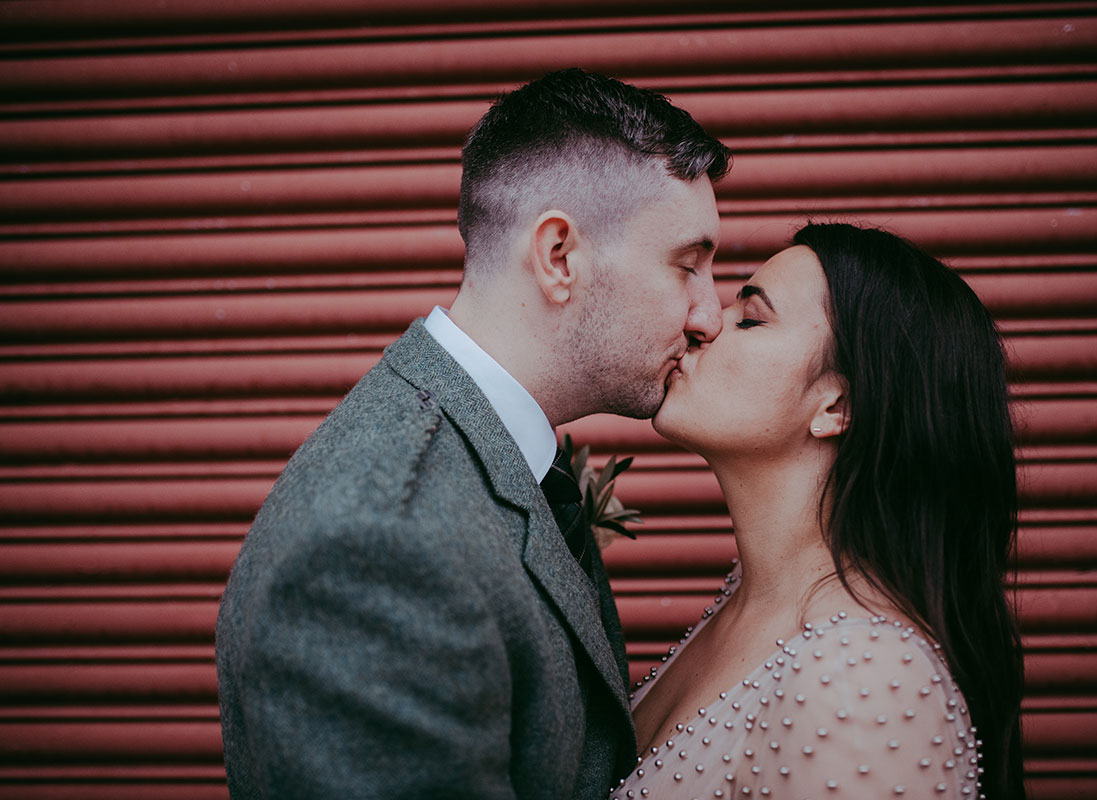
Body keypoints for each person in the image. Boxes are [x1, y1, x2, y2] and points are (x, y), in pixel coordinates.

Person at [215, 68, 730, 800]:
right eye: (687, 265)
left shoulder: (496, 454)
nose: (709, 316)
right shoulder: (380, 551)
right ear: (559, 258)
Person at [614, 223, 1024, 799]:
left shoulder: (865, 679)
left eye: (750, 318)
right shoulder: (750, 598)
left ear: (836, 405)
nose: (702, 323)